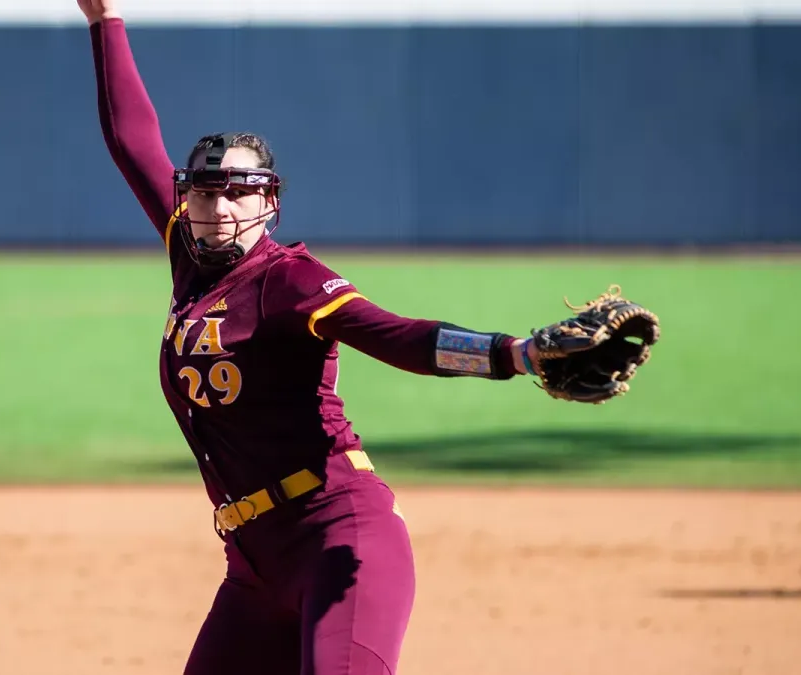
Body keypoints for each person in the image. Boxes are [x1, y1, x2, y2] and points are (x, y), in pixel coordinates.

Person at [79, 2, 544, 673]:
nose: (218, 208)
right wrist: (104, 18)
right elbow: (132, 143)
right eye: (205, 193)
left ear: (270, 203)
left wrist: (512, 354)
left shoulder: (291, 278)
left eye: (239, 193)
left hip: (338, 535)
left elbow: (396, 336)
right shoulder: (189, 252)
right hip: (252, 566)